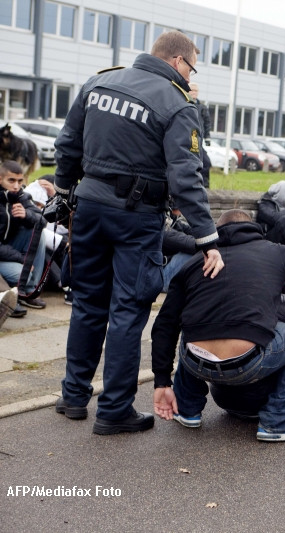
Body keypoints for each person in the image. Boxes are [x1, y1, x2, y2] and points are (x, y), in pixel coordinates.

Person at [54, 30, 225, 435]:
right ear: (180, 62)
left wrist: (63, 191)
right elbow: (187, 177)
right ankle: (113, 411)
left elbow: (67, 145)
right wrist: (207, 238)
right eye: (191, 67)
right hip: (136, 216)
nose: (189, 76)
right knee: (128, 313)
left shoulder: (99, 81)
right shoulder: (177, 102)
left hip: (90, 208)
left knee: (88, 305)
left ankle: (74, 397)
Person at [151, 209, 285, 442]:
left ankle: (187, 408)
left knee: (192, 324)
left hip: (196, 363)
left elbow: (164, 324)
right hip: (249, 362)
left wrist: (162, 380)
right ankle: (278, 422)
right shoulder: (274, 252)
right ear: (253, 228)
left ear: (215, 233)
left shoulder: (194, 262)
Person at [0, 160, 48, 312]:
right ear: (0, 179)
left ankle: (29, 291)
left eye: (20, 181)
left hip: (9, 249)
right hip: (3, 253)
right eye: (11, 180)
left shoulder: (20, 196)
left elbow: (43, 220)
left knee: (38, 231)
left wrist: (26, 214)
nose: (16, 186)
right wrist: (22, 260)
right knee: (24, 274)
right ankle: (18, 290)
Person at [188, 82, 212, 188]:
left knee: (206, 163)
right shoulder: (186, 104)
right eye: (192, 90)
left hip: (199, 141)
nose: (194, 92)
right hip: (188, 140)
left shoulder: (202, 107)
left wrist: (207, 137)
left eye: (196, 90)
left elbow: (207, 123)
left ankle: (205, 185)